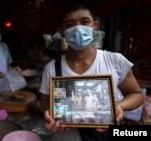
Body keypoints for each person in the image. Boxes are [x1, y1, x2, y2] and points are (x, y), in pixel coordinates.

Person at [39, 3, 144, 141]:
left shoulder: (114, 61)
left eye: (84, 22)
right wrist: (49, 112)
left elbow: (136, 95)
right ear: (62, 30)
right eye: (70, 24)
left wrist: (117, 107)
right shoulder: (52, 68)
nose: (78, 28)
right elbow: (44, 101)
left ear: (94, 26)